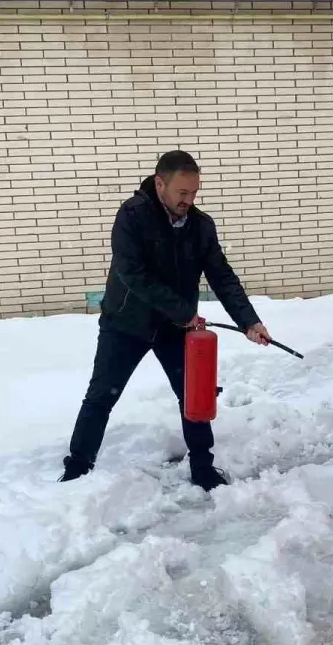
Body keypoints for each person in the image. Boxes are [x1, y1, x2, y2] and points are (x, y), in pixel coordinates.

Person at [61, 151, 271, 490]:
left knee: (193, 397)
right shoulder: (132, 216)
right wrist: (183, 310)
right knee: (101, 395)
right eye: (182, 193)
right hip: (126, 324)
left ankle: (204, 469)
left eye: (194, 193)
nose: (189, 200)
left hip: (175, 328)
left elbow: (222, 275)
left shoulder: (201, 226)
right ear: (160, 183)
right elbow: (132, 273)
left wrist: (249, 320)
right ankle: (78, 467)